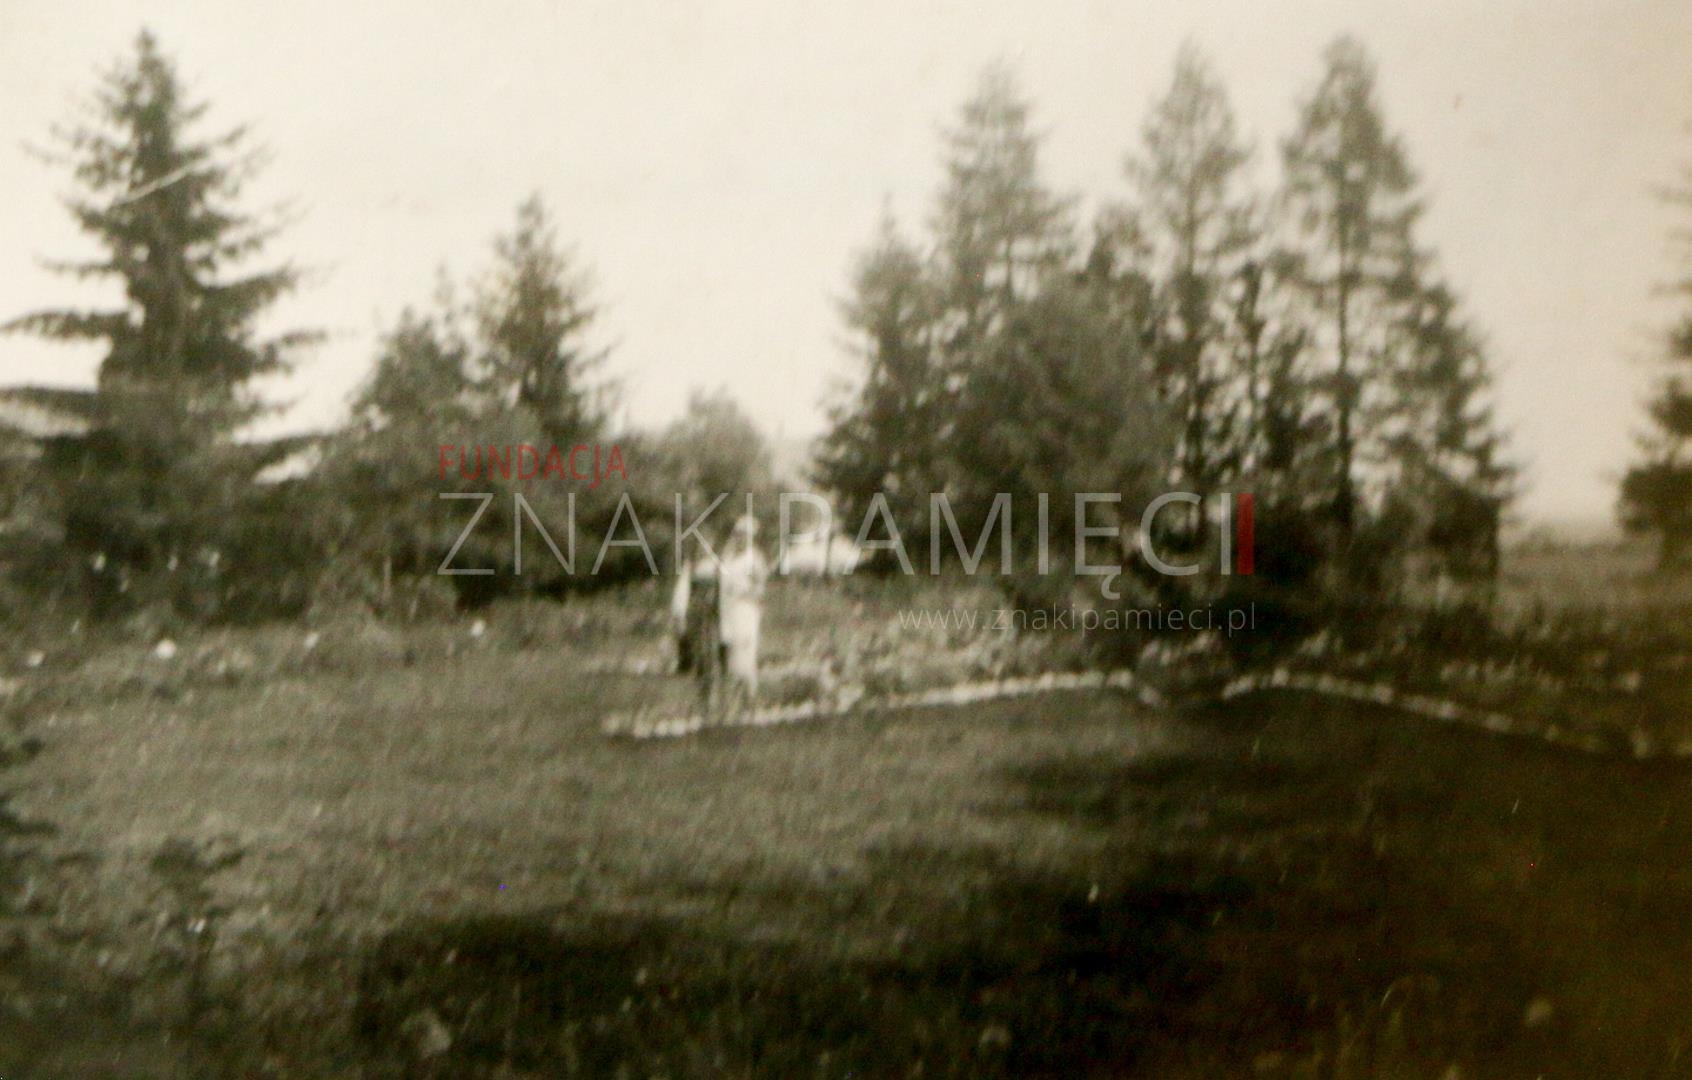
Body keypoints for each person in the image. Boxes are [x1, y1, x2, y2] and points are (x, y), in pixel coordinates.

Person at [714, 513, 768, 722]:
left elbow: (761, 589)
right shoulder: (728, 556)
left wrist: (744, 592)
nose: (740, 538)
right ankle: (734, 707)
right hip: (727, 610)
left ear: (752, 537)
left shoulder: (755, 558)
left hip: (746, 610)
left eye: (745, 534)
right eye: (737, 534)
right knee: (731, 658)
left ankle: (751, 705)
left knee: (745, 658)